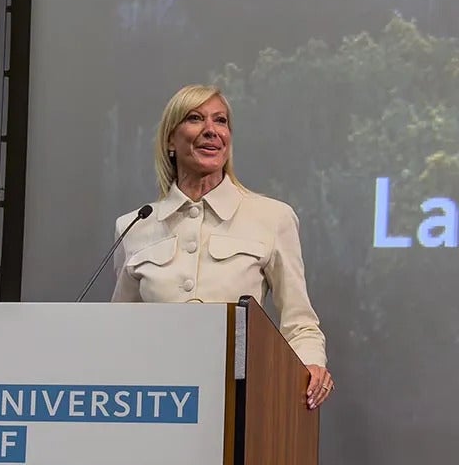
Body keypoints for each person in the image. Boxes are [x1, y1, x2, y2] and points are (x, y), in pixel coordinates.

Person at [111, 84, 333, 409]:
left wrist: (311, 365)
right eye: (195, 119)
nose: (211, 131)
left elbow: (299, 322)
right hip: (156, 404)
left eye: (221, 121)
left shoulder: (272, 217)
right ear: (170, 140)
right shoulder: (134, 226)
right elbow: (118, 329)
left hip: (240, 401)